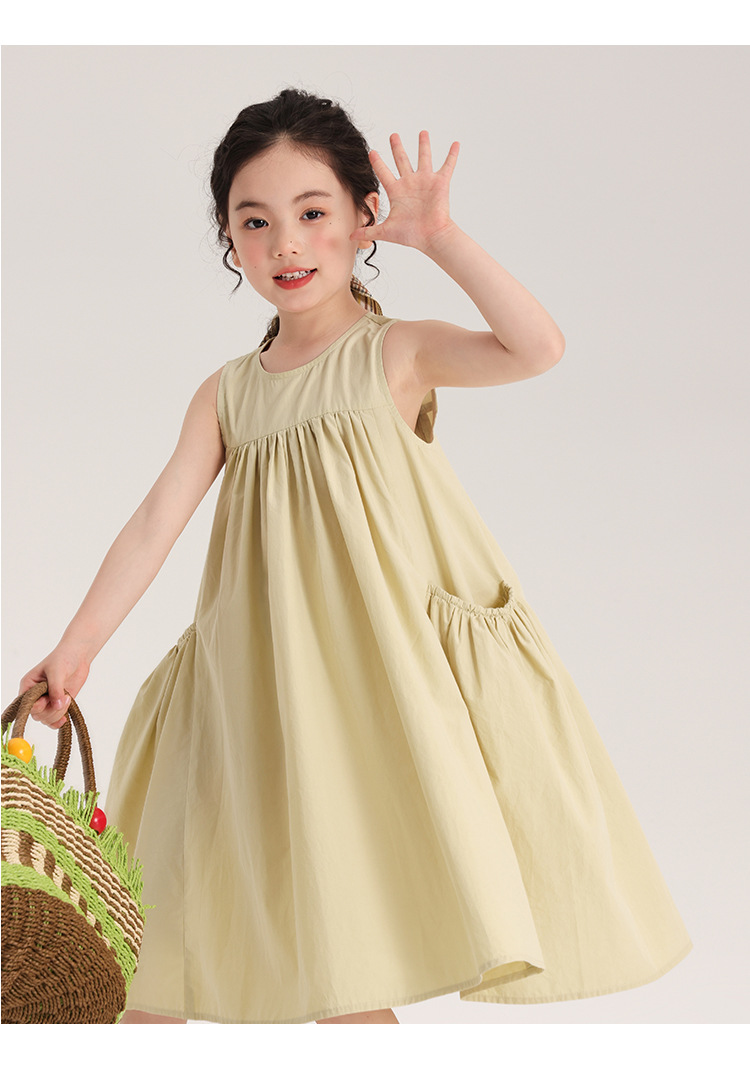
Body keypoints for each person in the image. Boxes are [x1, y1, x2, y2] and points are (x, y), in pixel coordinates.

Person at [18, 87, 692, 1025]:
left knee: (347, 960)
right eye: (256, 222)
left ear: (361, 219)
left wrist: (441, 239)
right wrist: (77, 647)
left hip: (367, 691)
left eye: (312, 213)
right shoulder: (228, 393)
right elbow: (153, 523)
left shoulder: (394, 355)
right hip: (255, 686)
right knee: (159, 953)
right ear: (229, 239)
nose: (285, 243)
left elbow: (536, 347)